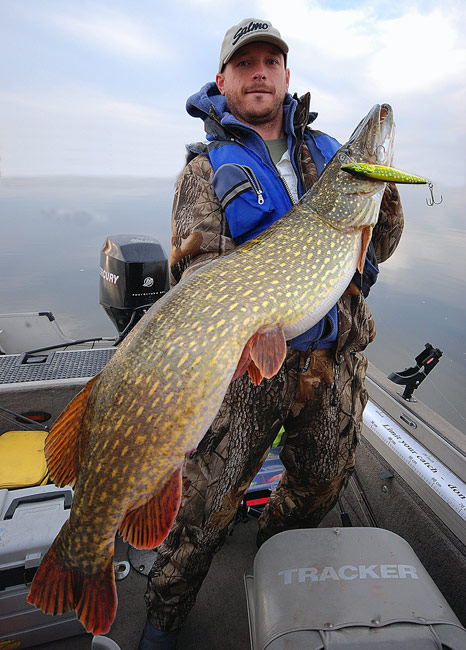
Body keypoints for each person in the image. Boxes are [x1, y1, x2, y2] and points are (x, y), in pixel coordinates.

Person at [138, 17, 404, 649]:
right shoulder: (204, 173)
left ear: (286, 76)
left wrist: (384, 199)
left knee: (320, 481)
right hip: (247, 369)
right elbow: (200, 273)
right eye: (245, 63)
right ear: (225, 80)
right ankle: (163, 615)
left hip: (332, 363)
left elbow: (378, 249)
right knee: (205, 504)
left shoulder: (334, 156)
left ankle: (273, 566)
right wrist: (251, 316)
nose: (259, 72)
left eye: (271, 62)